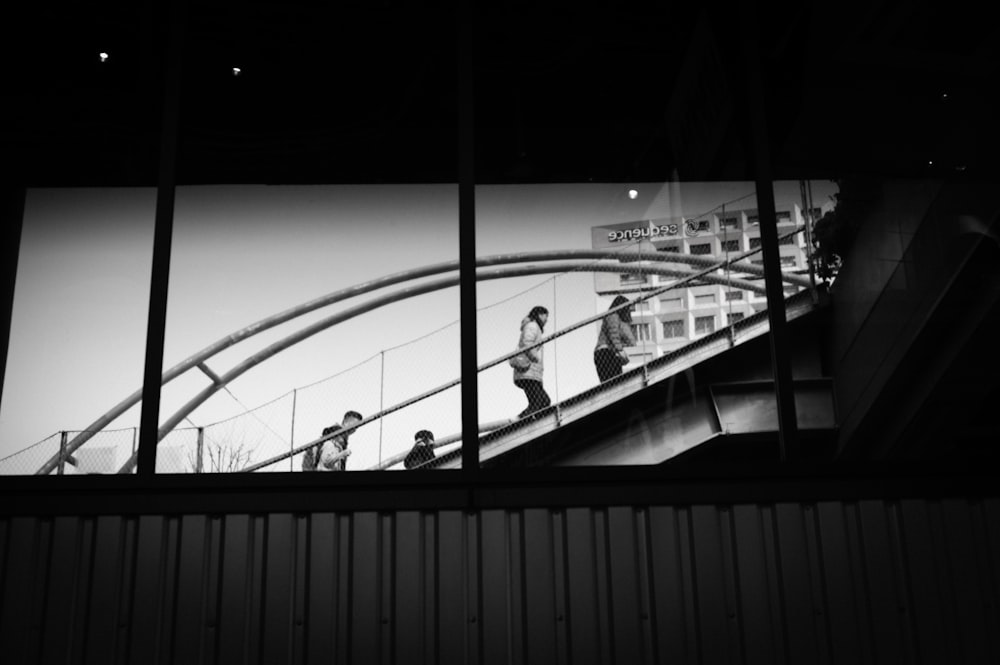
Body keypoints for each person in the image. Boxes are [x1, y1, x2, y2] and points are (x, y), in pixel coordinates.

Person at [512, 305, 552, 418]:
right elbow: (527, 343)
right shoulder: (532, 326)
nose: (546, 320)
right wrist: (535, 358)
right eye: (546, 316)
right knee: (539, 403)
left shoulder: (534, 327)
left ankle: (531, 422)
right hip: (528, 372)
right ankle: (517, 421)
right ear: (540, 314)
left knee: (543, 402)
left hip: (531, 373)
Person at [594, 295, 636, 383]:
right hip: (605, 352)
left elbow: (630, 340)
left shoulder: (619, 320)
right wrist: (620, 350)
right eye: (627, 307)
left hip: (610, 353)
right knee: (612, 382)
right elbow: (613, 334)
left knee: (614, 382)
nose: (628, 311)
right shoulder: (612, 315)